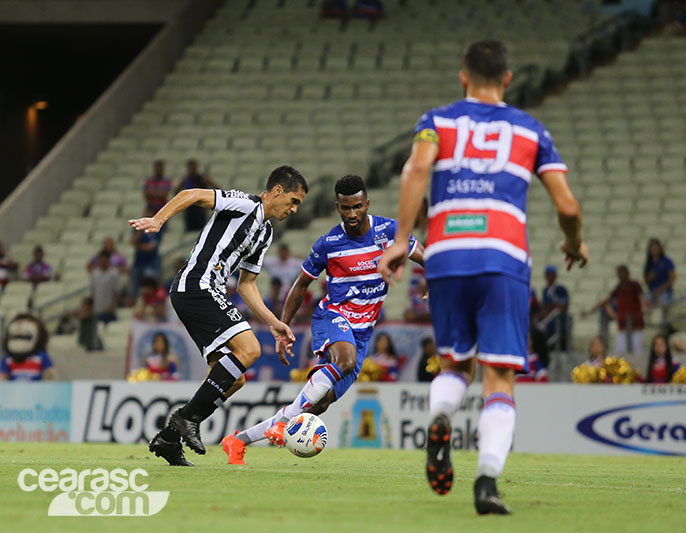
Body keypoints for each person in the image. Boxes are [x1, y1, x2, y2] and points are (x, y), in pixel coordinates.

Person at [376, 40, 588, 515]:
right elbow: (568, 207)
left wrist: (400, 240)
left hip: (446, 253)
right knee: (499, 378)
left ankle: (439, 418)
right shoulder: (532, 130)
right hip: (503, 257)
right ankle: (487, 481)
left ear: (463, 77)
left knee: (455, 364)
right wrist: (574, 243)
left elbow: (415, 170)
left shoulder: (437, 122)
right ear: (508, 79)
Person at [224, 175, 424, 464]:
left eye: (357, 206)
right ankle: (281, 426)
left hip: (363, 333)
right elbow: (300, 286)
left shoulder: (389, 231)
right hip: (333, 315)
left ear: (367, 203)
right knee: (345, 360)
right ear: (337, 208)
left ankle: (238, 441)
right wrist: (282, 328)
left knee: (321, 402)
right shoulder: (328, 243)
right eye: (346, 208)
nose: (352, 214)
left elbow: (422, 255)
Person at [129, 165, 307, 466]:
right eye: (293, 201)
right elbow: (191, 194)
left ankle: (170, 439)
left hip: (207, 292)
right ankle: (187, 419)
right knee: (249, 350)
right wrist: (159, 220)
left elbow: (247, 284)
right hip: (195, 285)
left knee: (232, 380)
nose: (293, 209)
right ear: (277, 191)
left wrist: (275, 323)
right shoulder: (246, 205)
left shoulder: (265, 233)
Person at [588, 266, 646, 356]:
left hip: (636, 325)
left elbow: (642, 300)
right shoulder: (618, 288)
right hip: (622, 326)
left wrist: (642, 311)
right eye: (620, 273)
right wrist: (614, 316)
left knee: (637, 354)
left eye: (623, 273)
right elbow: (605, 301)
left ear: (628, 273)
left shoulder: (635, 285)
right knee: (620, 355)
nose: (621, 276)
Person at [0, 314, 54, 381]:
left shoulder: (41, 356)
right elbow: (3, 377)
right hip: (14, 390)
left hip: (36, 390)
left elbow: (49, 375)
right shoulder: (7, 359)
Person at [173, 159, 218, 232]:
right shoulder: (186, 180)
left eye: (193, 167)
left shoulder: (202, 178)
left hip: (201, 208)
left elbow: (216, 189)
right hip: (190, 209)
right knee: (190, 230)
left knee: (201, 231)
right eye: (190, 167)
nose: (192, 169)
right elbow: (176, 191)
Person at [129, 207, 163, 301]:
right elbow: (133, 242)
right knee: (134, 286)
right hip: (138, 262)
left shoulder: (155, 229)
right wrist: (139, 232)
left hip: (151, 263)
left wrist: (139, 245)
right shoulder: (138, 229)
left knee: (149, 286)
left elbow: (152, 247)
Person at [537, 265, 570, 350]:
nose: (549, 277)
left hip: (560, 325)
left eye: (551, 275)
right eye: (547, 275)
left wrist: (550, 306)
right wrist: (553, 305)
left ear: (555, 276)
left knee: (561, 348)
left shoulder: (561, 289)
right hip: (549, 326)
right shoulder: (545, 290)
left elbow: (563, 307)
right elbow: (544, 307)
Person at [89, 250, 122, 325]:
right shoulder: (95, 273)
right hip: (97, 310)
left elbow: (118, 292)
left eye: (105, 259)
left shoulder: (114, 273)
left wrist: (112, 306)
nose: (103, 261)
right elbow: (93, 292)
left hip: (109, 310)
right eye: (101, 259)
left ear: (108, 259)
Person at [643, 238, 675, 307]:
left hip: (665, 292)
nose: (654, 250)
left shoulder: (667, 261)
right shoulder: (649, 264)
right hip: (651, 292)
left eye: (656, 248)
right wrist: (650, 277)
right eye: (652, 248)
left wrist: (659, 290)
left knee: (660, 302)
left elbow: (671, 279)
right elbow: (646, 281)